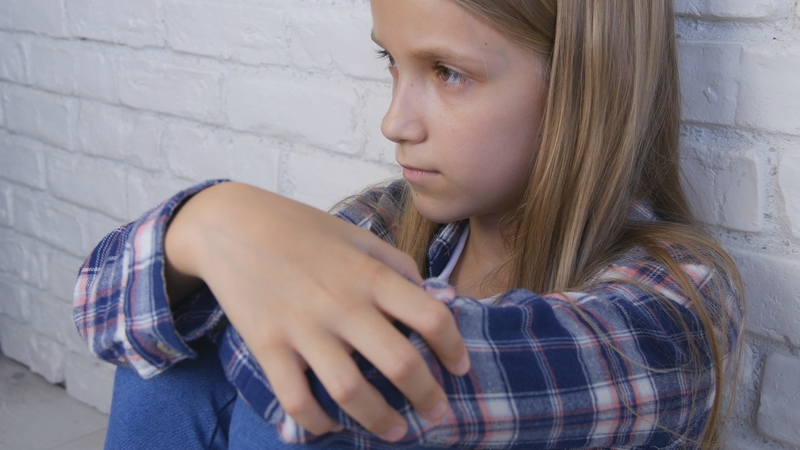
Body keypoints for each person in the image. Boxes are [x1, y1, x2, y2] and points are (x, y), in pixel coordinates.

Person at [73, 0, 744, 448]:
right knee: (167, 367)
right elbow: (110, 318)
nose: (395, 122)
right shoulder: (394, 219)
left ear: (585, 86)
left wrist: (224, 243)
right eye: (390, 62)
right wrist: (206, 227)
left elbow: (333, 387)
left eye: (448, 72)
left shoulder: (674, 304)